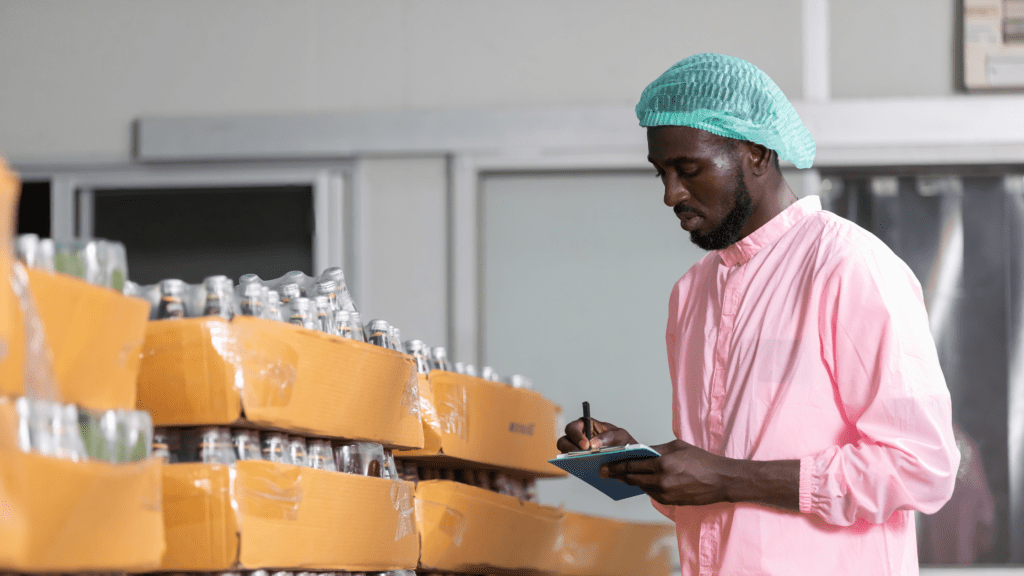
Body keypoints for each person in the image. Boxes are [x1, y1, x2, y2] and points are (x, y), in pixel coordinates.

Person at [557, 53, 960, 575]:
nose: (670, 194)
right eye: (661, 172)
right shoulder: (693, 293)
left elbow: (920, 467)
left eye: (689, 169)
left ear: (755, 152)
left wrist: (728, 477)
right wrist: (643, 464)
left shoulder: (848, 267)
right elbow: (717, 482)